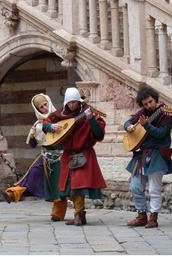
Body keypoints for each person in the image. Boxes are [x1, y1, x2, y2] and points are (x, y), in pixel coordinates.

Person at [44, 87, 106, 226]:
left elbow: (99, 134)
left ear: (79, 101)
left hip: (84, 153)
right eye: (70, 102)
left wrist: (90, 119)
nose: (72, 105)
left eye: (75, 102)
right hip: (68, 154)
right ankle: (80, 214)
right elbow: (46, 122)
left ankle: (78, 215)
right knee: (69, 188)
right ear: (66, 103)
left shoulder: (88, 111)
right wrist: (51, 127)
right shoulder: (60, 114)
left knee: (78, 185)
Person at [2, 94, 67, 221]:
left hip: (61, 156)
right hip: (45, 156)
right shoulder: (37, 124)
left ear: (49, 102)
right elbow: (32, 145)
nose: (44, 107)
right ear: (37, 109)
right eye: (41, 107)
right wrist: (32, 136)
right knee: (32, 175)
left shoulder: (60, 117)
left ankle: (58, 213)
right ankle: (11, 194)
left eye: (45, 104)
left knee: (59, 185)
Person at [124, 86, 172, 228]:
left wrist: (146, 126)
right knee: (135, 186)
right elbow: (128, 122)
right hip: (142, 154)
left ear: (156, 100)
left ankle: (153, 217)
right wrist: (129, 126)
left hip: (158, 154)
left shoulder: (166, 114)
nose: (149, 105)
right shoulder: (142, 113)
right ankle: (141, 215)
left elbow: (161, 134)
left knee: (154, 188)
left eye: (151, 102)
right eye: (145, 104)